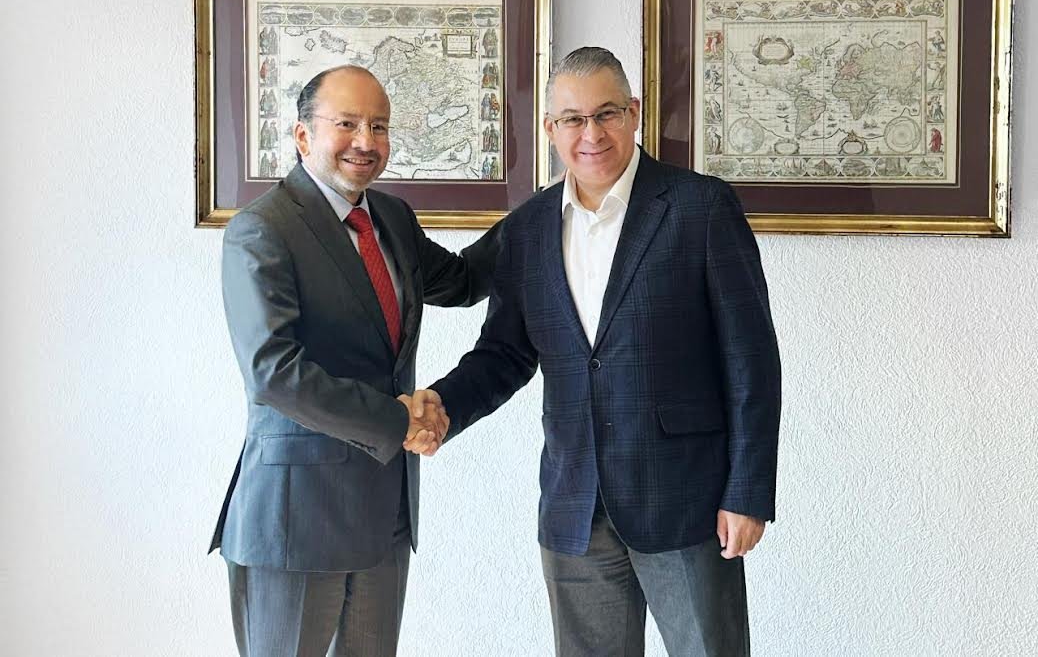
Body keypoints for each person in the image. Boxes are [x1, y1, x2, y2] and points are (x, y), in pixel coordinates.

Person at [410, 47, 781, 656]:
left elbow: (752, 361)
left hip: (686, 502)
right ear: (550, 128)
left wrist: (747, 492)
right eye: (573, 119)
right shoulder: (527, 228)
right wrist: (442, 405)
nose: (592, 134)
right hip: (574, 504)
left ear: (633, 113)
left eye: (606, 113)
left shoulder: (700, 207)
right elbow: (504, 354)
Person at [211, 65, 500, 657]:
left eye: (379, 126)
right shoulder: (262, 229)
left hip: (385, 512)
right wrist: (399, 421)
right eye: (346, 124)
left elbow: (465, 281)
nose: (366, 142)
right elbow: (274, 373)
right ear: (302, 135)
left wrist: (553, 207)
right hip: (294, 522)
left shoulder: (391, 218)